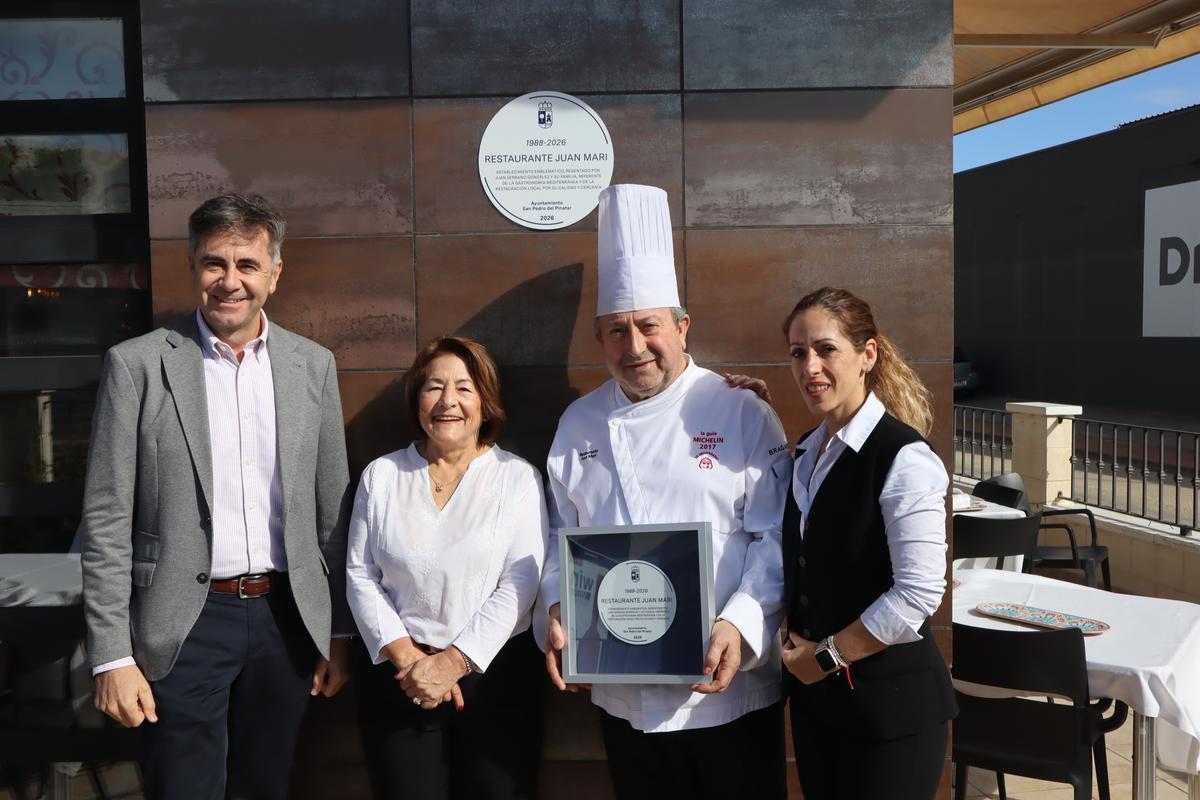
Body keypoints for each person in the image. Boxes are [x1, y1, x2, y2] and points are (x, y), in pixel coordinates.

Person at [79, 193, 354, 799]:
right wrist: (110, 656)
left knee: (265, 786)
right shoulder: (139, 366)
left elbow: (332, 512)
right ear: (193, 266)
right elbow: (106, 521)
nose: (230, 281)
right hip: (182, 624)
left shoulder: (313, 367)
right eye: (215, 263)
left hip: (287, 620)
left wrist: (337, 631)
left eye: (248, 265)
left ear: (275, 274)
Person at [537, 184, 793, 799]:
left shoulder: (738, 410)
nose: (635, 347)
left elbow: (778, 536)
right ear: (600, 338)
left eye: (648, 326)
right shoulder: (577, 424)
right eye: (616, 332)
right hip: (623, 691)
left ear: (682, 326)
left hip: (729, 687)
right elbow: (554, 536)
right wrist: (554, 608)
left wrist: (739, 623)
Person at [346, 336, 548, 799]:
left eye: (464, 387)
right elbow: (360, 573)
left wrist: (454, 663)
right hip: (400, 680)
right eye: (434, 387)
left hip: (496, 678)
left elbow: (522, 580)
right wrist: (412, 661)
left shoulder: (516, 477)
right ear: (417, 399)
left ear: (485, 401)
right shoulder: (382, 475)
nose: (447, 401)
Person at [778, 286, 957, 799]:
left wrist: (828, 657)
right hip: (820, 712)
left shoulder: (904, 457)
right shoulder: (806, 454)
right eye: (797, 353)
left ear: (867, 354)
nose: (810, 367)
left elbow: (919, 594)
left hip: (891, 716)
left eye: (826, 349)